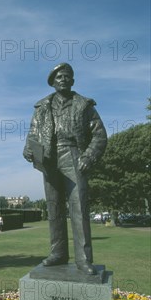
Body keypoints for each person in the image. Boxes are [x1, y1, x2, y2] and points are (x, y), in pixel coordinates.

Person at [23, 63, 107, 275]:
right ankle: (58, 253)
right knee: (54, 208)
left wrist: (88, 155)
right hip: (48, 158)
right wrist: (28, 149)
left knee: (79, 208)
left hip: (73, 154)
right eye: (59, 76)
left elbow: (99, 135)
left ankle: (84, 259)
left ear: (73, 81)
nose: (63, 79)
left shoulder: (85, 105)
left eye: (67, 76)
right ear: (53, 82)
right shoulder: (42, 107)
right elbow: (33, 135)